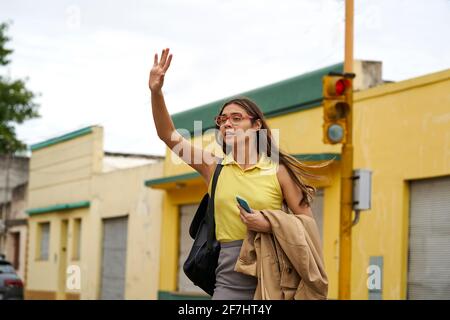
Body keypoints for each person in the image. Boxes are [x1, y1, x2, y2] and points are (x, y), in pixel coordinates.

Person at [149, 48, 329, 300]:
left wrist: (269, 223)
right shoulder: (214, 167)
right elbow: (168, 135)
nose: (227, 124)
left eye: (236, 118)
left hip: (275, 276)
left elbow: (308, 226)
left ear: (256, 125)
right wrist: (156, 92)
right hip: (229, 277)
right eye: (222, 120)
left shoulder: (279, 171)